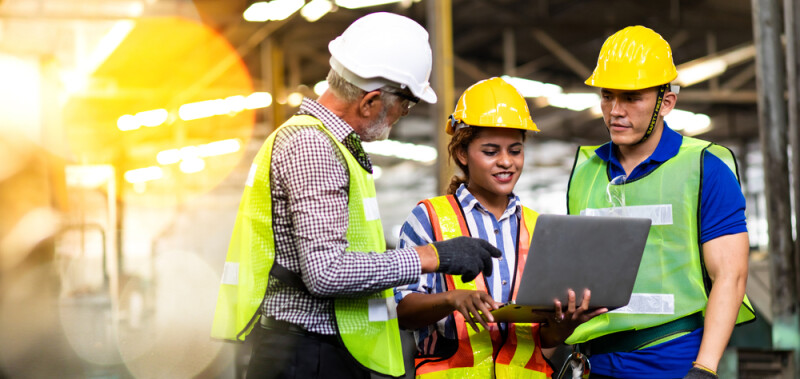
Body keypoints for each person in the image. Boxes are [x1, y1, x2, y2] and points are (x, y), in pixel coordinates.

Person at [210, 12, 504, 379]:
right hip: (306, 358)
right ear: (370, 101)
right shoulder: (313, 147)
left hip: (312, 352)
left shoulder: (328, 144)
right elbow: (326, 272)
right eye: (406, 105)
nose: (402, 116)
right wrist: (432, 257)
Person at [564, 26, 756, 379]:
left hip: (671, 362)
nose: (615, 111)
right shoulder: (585, 172)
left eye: (631, 97)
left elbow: (730, 274)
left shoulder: (704, 168)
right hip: (592, 364)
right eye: (607, 96)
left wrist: (705, 369)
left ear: (666, 102)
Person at [394, 77, 606, 378]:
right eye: (491, 151)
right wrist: (452, 300)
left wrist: (562, 327)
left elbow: (540, 342)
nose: (506, 162)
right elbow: (402, 311)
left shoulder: (538, 228)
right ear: (462, 153)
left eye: (515, 150)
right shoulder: (428, 217)